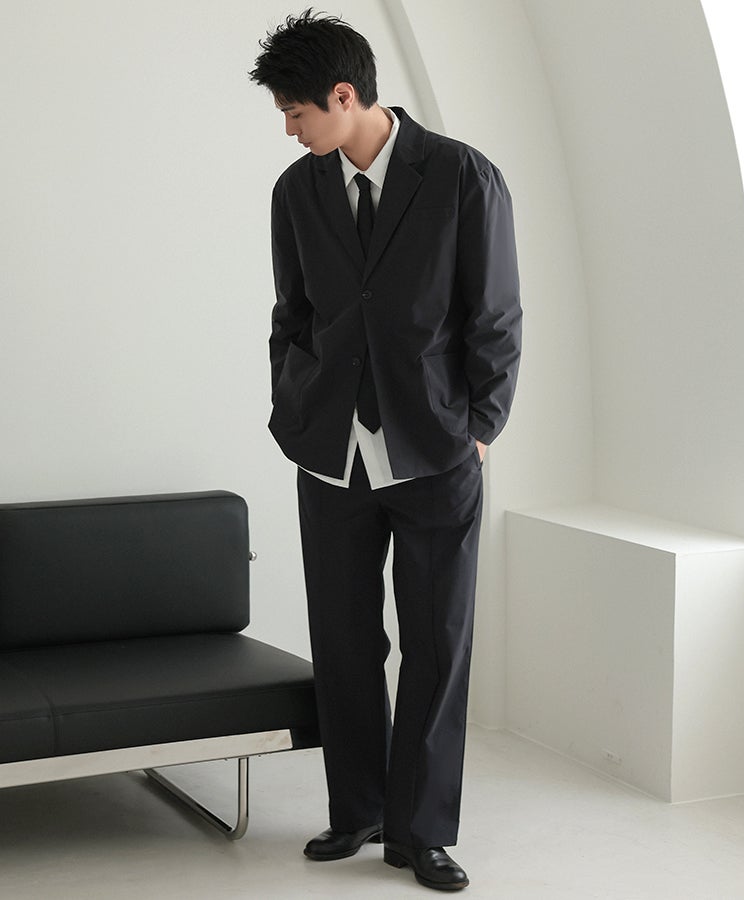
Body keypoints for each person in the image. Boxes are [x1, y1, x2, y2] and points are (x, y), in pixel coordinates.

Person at [250, 9, 521, 892]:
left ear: (343, 96)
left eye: (295, 113)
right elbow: (293, 314)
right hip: (331, 453)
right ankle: (358, 810)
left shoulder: (462, 176)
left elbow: (495, 315)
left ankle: (421, 831)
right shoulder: (297, 192)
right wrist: (293, 406)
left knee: (437, 644)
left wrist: (480, 427)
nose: (289, 130)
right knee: (342, 640)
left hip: (437, 450)